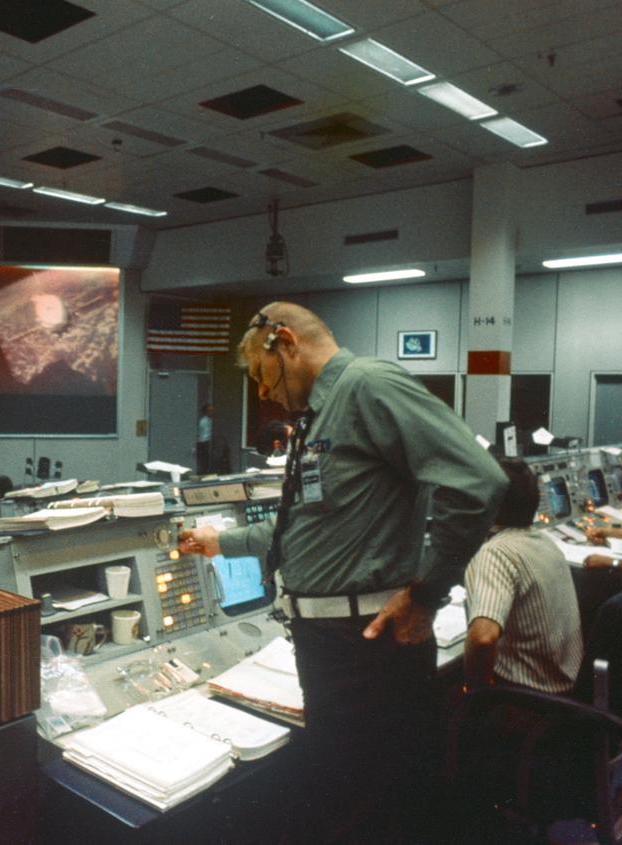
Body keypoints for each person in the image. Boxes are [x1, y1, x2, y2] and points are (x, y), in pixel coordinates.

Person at [179, 302, 506, 843]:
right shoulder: (321, 417)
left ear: (285, 341)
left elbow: (478, 482)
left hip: (368, 645)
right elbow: (307, 526)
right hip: (331, 645)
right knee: (345, 792)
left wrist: (426, 594)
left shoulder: (369, 386)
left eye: (263, 376)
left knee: (364, 805)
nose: (262, 394)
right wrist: (221, 543)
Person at [464, 458, 583, 694]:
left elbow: (483, 638)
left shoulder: (496, 553)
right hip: (566, 685)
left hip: (528, 697)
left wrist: (474, 692)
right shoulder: (545, 541)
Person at [196, 403, 213, 474]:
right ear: (205, 411)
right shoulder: (203, 421)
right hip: (203, 442)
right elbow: (202, 433)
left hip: (208, 442)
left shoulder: (210, 420)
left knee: (208, 459)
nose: (211, 412)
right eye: (209, 410)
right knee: (204, 460)